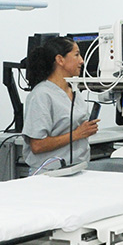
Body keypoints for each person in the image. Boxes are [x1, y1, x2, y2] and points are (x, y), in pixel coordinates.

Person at [21, 37, 100, 175]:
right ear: (60, 60)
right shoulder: (41, 95)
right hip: (49, 174)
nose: (82, 60)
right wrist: (77, 134)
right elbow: (37, 145)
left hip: (78, 169)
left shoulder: (75, 92)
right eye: (76, 55)